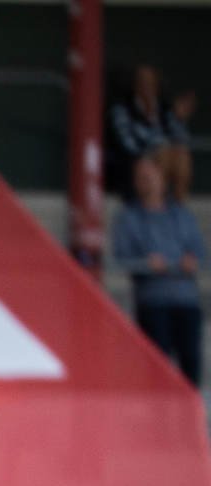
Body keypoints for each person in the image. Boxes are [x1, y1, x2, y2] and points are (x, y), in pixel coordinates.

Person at [113, 154, 205, 387]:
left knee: (191, 364)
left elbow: (201, 252)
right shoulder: (128, 218)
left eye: (149, 175)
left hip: (186, 300)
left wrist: (192, 261)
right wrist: (147, 264)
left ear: (163, 178)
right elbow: (122, 259)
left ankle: (188, 418)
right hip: (153, 301)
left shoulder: (182, 215)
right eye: (140, 177)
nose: (145, 181)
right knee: (157, 369)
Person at [109, 66, 194, 201]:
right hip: (136, 161)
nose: (147, 86)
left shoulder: (164, 108)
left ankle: (178, 208)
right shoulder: (124, 108)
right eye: (142, 82)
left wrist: (179, 120)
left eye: (150, 82)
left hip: (166, 155)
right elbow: (127, 143)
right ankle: (157, 206)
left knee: (182, 156)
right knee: (163, 153)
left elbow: (182, 140)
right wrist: (153, 150)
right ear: (135, 85)